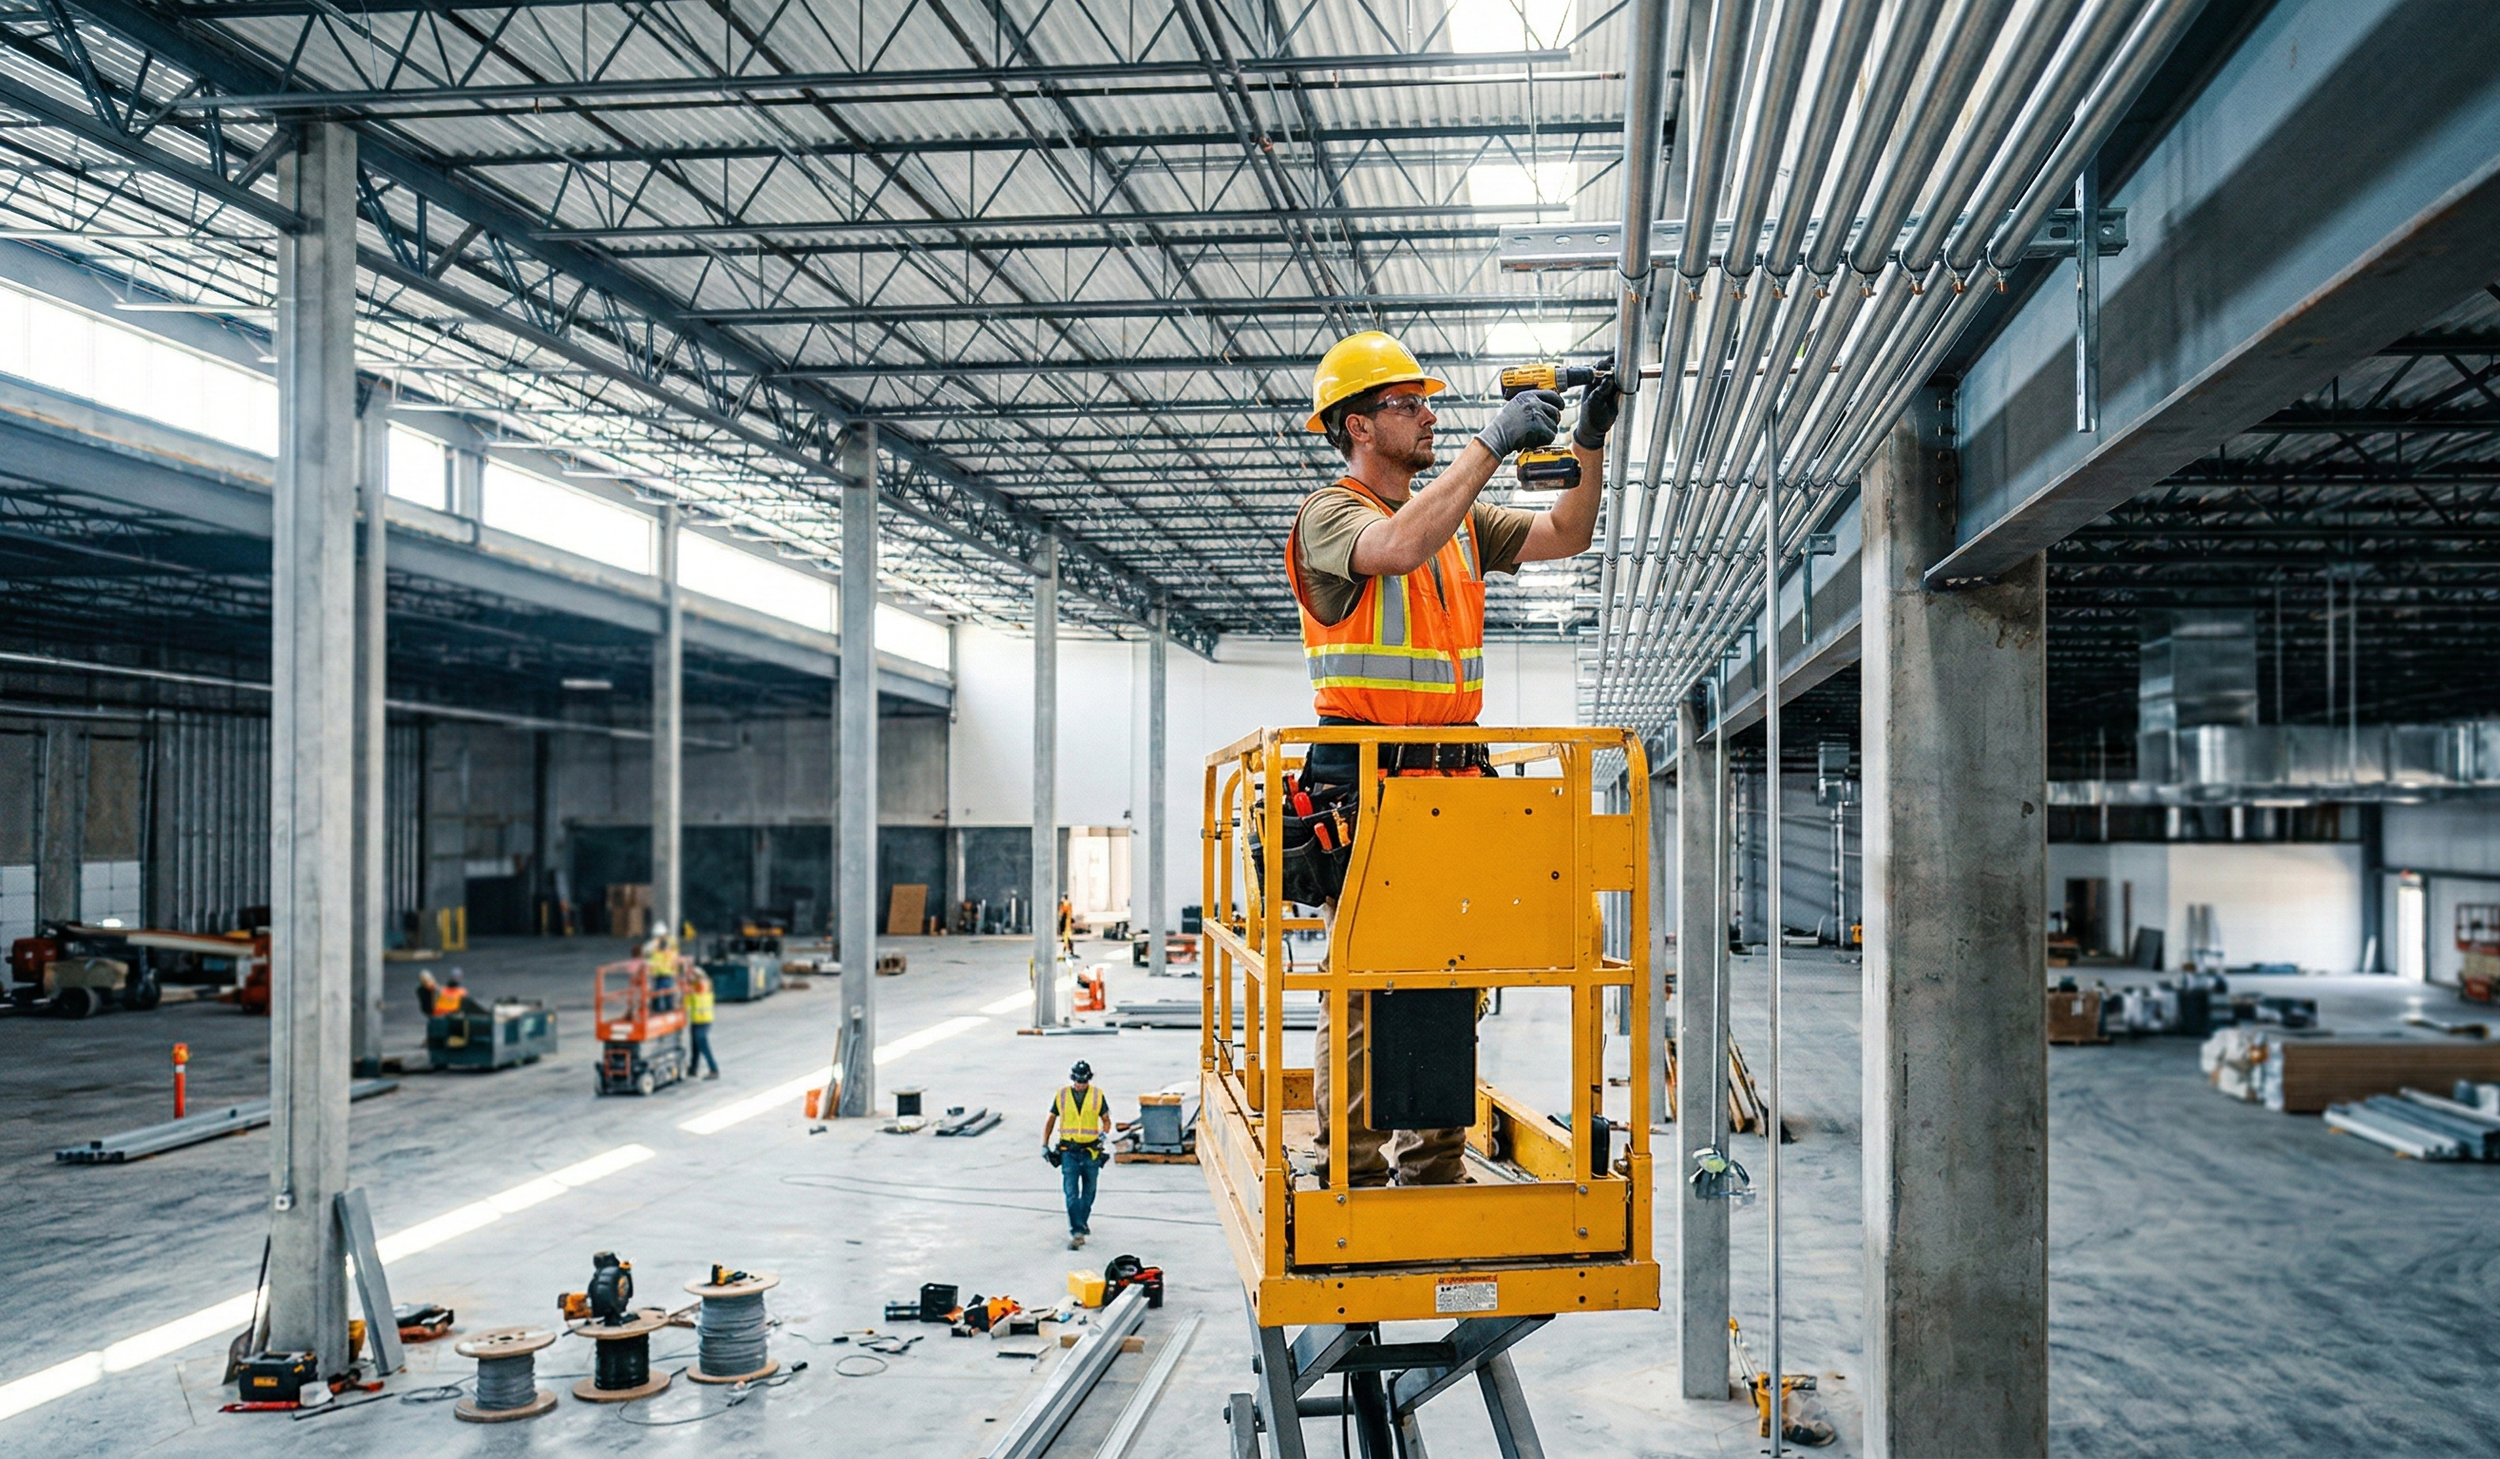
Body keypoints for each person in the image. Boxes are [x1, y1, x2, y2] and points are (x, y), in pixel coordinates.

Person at [1288, 330, 1617, 1188]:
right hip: (1365, 783)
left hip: (1453, 784)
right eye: (1408, 404)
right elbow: (1395, 547)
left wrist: (1590, 439)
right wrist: (1490, 443)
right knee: (1360, 985)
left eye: (1428, 402)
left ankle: (1431, 1167)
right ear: (1358, 425)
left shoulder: (1461, 523)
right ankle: (1349, 1175)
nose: (1428, 414)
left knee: (1447, 979)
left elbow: (1567, 533)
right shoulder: (1330, 515)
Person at [1040, 1060, 1109, 1250]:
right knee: (1071, 1194)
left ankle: (1082, 1221)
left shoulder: (1097, 1095)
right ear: (1073, 1079)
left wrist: (1103, 1136)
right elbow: (1051, 1120)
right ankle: (1077, 1231)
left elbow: (1106, 1120)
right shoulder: (1062, 1095)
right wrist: (1044, 1144)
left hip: (1091, 1152)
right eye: (1078, 1081)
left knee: (1089, 1193)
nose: (1081, 1084)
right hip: (1068, 1152)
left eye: (1084, 1081)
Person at [685, 967, 719, 1079]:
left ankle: (713, 1069)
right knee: (695, 1046)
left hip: (703, 1021)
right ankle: (693, 1068)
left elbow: (693, 996)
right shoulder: (698, 987)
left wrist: (689, 989)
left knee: (702, 1044)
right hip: (696, 1021)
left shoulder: (701, 987)